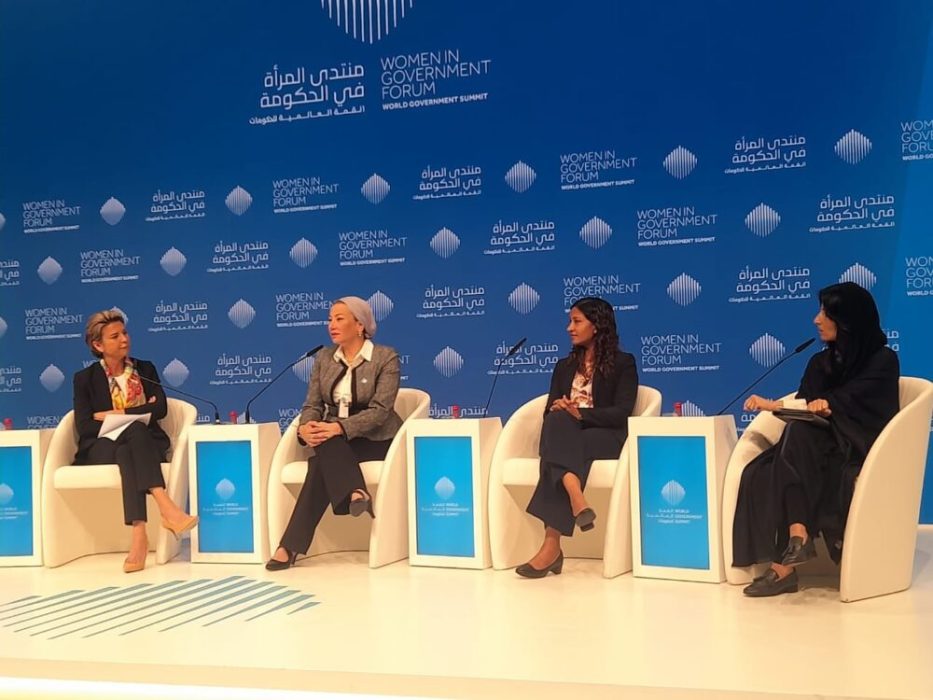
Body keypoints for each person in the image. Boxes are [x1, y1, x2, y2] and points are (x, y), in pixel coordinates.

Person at [734, 282, 900, 596]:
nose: (816, 319)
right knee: (789, 443)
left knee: (795, 447)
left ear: (848, 320)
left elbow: (866, 405)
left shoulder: (882, 360)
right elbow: (804, 404)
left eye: (826, 313)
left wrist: (829, 405)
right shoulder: (819, 363)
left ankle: (786, 565)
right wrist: (781, 407)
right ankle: (798, 538)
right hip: (810, 448)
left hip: (855, 447)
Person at [267, 297, 403, 570]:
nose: (332, 325)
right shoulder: (325, 358)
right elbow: (312, 404)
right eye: (330, 319)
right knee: (325, 446)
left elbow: (380, 411)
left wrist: (339, 427)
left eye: (340, 319)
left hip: (377, 438)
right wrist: (306, 427)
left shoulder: (385, 357)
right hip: (335, 439)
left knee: (322, 456)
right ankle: (355, 492)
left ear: (360, 325)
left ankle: (289, 547)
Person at [517, 297, 639, 578]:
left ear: (596, 326)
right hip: (568, 436)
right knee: (556, 420)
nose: (569, 328)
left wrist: (580, 414)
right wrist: (561, 408)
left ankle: (552, 546)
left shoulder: (623, 363)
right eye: (570, 321)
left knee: (556, 452)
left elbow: (621, 413)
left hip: (606, 436)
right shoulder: (564, 366)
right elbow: (549, 410)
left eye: (576, 321)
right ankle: (576, 500)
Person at [73, 309, 198, 573]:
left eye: (125, 333)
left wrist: (116, 414)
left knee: (129, 446)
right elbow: (85, 426)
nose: (124, 339)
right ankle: (166, 507)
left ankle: (139, 535)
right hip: (102, 446)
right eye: (115, 336)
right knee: (134, 432)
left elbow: (160, 408)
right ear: (98, 345)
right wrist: (139, 412)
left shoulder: (145, 369)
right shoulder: (84, 379)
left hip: (143, 444)